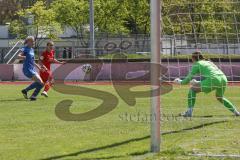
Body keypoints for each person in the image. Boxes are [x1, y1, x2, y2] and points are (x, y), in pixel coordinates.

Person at [174, 51, 240, 117]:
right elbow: (212, 73)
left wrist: (179, 81)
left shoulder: (197, 64)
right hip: (223, 79)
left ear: (193, 58)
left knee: (192, 90)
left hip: (213, 80)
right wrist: (198, 82)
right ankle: (236, 112)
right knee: (220, 97)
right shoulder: (208, 62)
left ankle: (189, 112)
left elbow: (187, 80)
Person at [18, 36, 44, 101]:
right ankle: (32, 95)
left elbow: (33, 62)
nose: (33, 42)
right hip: (27, 69)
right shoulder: (24, 48)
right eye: (32, 41)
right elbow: (18, 56)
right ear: (28, 42)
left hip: (32, 69)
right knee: (40, 82)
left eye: (33, 41)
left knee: (41, 84)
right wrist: (23, 57)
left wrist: (39, 68)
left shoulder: (32, 50)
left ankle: (29, 93)